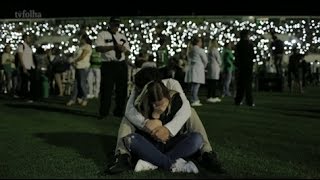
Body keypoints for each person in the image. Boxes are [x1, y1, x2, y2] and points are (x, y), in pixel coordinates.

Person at [105, 67, 224, 174]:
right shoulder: (138, 91)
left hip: (171, 140)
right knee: (128, 122)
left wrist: (168, 129)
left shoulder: (171, 85)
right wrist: (145, 123)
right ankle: (122, 156)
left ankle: (206, 153)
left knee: (192, 116)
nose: (137, 91)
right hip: (150, 139)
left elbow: (185, 108)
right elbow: (129, 110)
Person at [123, 80, 203, 173]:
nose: (157, 106)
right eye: (155, 104)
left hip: (171, 143)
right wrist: (155, 114)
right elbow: (131, 114)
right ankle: (172, 164)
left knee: (197, 139)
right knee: (130, 139)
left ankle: (152, 162)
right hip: (151, 145)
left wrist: (167, 129)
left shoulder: (176, 99)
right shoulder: (143, 103)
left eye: (161, 103)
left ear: (168, 96)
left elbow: (183, 116)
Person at [95, 16, 130, 119]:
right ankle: (104, 112)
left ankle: (119, 111)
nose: (116, 27)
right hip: (108, 64)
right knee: (106, 89)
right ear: (110, 24)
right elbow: (98, 48)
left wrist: (123, 49)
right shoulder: (102, 34)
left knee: (122, 90)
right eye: (114, 24)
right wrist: (114, 47)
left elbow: (128, 51)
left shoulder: (122, 36)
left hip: (121, 64)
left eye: (118, 25)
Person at [184, 36, 208, 106]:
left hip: (192, 68)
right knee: (196, 85)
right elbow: (205, 60)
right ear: (198, 42)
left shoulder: (191, 50)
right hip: (198, 68)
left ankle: (193, 98)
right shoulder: (200, 50)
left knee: (193, 85)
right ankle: (194, 99)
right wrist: (204, 66)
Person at [234, 30, 255, 106]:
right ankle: (249, 101)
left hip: (240, 67)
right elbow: (252, 56)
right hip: (248, 67)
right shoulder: (250, 45)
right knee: (248, 85)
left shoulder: (238, 44)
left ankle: (238, 100)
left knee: (240, 85)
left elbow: (236, 56)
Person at [206, 39, 222, 103]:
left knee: (210, 82)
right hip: (215, 67)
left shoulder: (209, 50)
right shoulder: (215, 50)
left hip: (210, 67)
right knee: (214, 83)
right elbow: (218, 59)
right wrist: (220, 64)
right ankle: (212, 96)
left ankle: (210, 96)